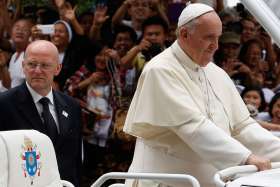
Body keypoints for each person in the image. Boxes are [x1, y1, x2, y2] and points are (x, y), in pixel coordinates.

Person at [123, 3, 280, 187]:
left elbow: (242, 127)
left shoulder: (216, 72)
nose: (215, 46)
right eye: (208, 38)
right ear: (184, 34)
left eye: (218, 38)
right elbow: (193, 126)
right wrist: (246, 158)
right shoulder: (160, 70)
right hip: (166, 182)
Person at [0, 40, 82, 187]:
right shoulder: (4, 104)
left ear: (57, 68)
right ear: (23, 66)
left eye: (45, 65)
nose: (37, 70)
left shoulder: (72, 106)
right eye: (32, 64)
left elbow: (75, 160)